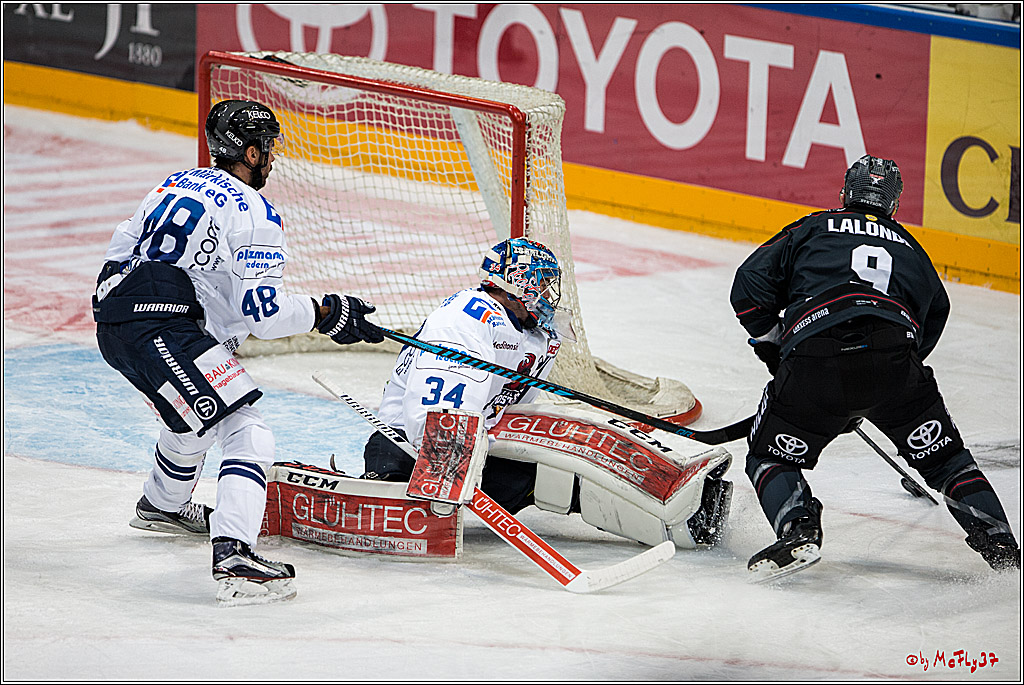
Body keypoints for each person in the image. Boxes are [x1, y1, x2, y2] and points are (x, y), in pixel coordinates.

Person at [93, 99, 385, 604]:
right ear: (250, 152)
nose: (271, 159)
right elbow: (264, 315)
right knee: (246, 427)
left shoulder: (176, 181)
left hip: (122, 315)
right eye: (267, 149)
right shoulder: (254, 212)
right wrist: (326, 313)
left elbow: (122, 251)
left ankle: (162, 505)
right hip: (161, 325)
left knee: (194, 415)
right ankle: (234, 555)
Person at [730, 154, 1020, 582]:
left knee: (767, 456)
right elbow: (935, 313)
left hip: (816, 357)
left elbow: (749, 288)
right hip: (895, 361)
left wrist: (778, 348)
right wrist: (877, 384)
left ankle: (799, 530)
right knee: (948, 462)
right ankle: (1003, 550)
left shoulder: (813, 226)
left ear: (844, 194)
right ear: (894, 205)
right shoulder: (911, 248)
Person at [362, 237, 565, 514]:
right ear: (519, 283)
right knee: (408, 506)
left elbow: (510, 408)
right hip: (406, 449)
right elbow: (434, 423)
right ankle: (381, 488)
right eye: (542, 285)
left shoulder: (534, 333)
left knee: (561, 479)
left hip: (477, 445)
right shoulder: (463, 322)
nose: (548, 296)